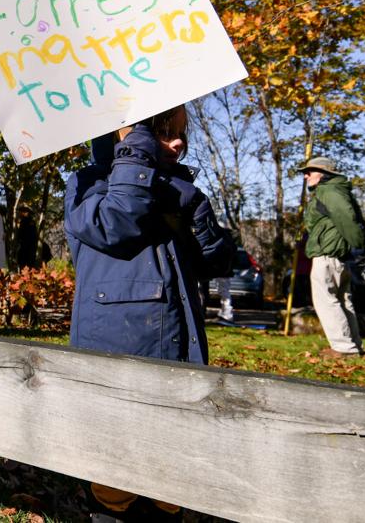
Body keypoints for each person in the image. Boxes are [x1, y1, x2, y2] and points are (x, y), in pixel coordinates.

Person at [64, 105, 233, 519]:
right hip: (117, 358)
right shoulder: (89, 184)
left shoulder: (173, 189)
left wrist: (197, 214)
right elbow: (113, 224)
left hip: (175, 349)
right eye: (161, 131)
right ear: (126, 135)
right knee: (115, 478)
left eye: (180, 133)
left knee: (168, 478)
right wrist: (136, 155)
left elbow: (219, 262)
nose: (178, 142)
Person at [300, 156, 365, 357]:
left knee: (327, 301)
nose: (305, 176)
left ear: (323, 174)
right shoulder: (335, 191)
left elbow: (347, 219)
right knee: (342, 301)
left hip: (329, 255)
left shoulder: (329, 192)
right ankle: (353, 345)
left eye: (309, 172)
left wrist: (358, 246)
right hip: (338, 256)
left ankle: (343, 348)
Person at [15, 205, 39, 270]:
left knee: (25, 264)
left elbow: (21, 234)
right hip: (29, 247)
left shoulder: (26, 221)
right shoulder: (30, 221)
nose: (19, 213)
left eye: (22, 211)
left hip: (26, 247)